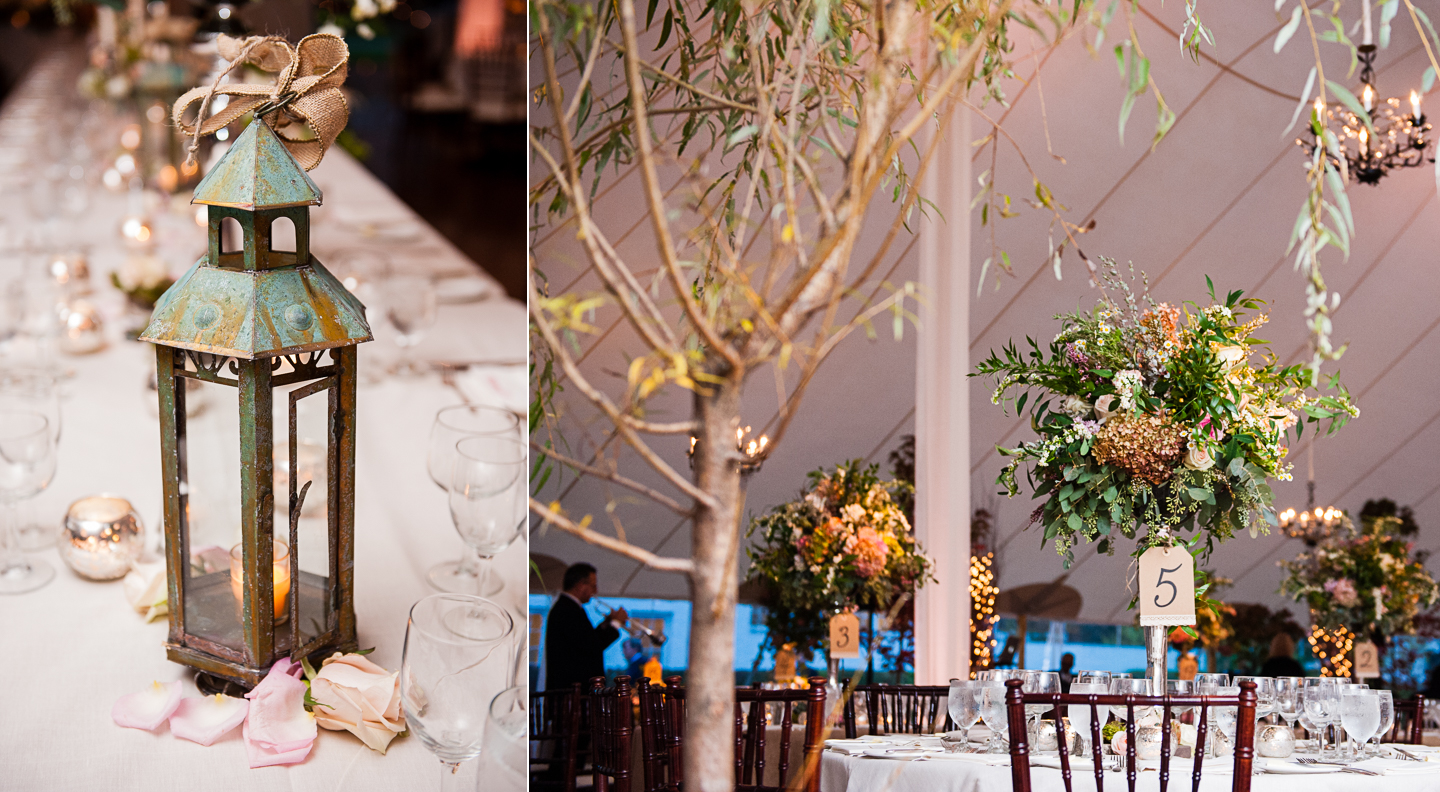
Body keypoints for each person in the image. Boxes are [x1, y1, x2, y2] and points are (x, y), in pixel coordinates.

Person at [544, 563, 628, 691]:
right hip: (573, 690)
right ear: (580, 585)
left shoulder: (568, 607)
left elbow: (585, 639)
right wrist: (616, 623)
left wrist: (606, 624)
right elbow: (591, 646)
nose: (596, 591)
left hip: (573, 690)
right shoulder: (567, 610)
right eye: (593, 586)